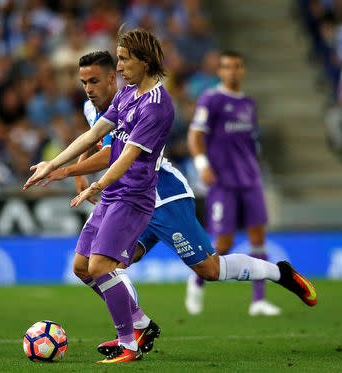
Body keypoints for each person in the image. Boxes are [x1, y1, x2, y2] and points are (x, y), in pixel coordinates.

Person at [41, 50, 318, 358]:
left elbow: (113, 155)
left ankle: (280, 273)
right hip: (126, 199)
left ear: (112, 79)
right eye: (84, 83)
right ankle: (137, 327)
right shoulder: (92, 107)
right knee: (99, 267)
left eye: (94, 81)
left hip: (164, 197)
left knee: (210, 270)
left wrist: (68, 170)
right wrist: (80, 169)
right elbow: (95, 138)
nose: (88, 89)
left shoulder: (136, 103)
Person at [24, 28, 175, 364]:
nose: (119, 67)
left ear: (144, 60)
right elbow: (93, 134)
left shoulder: (157, 106)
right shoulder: (127, 96)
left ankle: (129, 345)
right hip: (112, 196)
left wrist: (96, 185)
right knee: (82, 267)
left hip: (133, 196)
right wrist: (53, 164)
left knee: (101, 265)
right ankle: (139, 322)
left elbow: (126, 156)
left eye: (123, 59)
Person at [187, 50, 281, 315]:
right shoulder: (211, 99)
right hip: (223, 181)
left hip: (250, 179)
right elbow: (195, 137)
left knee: (258, 238)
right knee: (224, 243)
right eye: (226, 67)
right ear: (220, 71)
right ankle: (196, 281)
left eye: (236, 66)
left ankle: (258, 301)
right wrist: (203, 166)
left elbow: (250, 143)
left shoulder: (249, 103)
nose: (232, 71)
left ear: (243, 70)